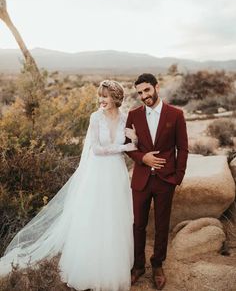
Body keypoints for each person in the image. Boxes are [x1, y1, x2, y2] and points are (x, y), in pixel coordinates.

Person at [0, 80, 137, 291]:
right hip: (98, 172)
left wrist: (133, 141)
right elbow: (98, 149)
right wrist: (124, 145)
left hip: (116, 174)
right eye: (99, 96)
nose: (101, 100)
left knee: (114, 217)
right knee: (93, 216)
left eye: (105, 96)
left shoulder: (125, 119)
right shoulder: (95, 118)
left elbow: (132, 146)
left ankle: (112, 270)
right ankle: (88, 270)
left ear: (116, 98)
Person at [125, 73, 188, 290]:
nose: (144, 96)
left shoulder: (176, 114)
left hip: (165, 180)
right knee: (138, 224)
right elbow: (128, 146)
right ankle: (138, 265)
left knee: (162, 225)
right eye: (140, 92)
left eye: (147, 90)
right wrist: (142, 157)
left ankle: (157, 264)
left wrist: (177, 177)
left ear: (156, 87)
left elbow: (183, 148)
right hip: (141, 179)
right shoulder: (133, 115)